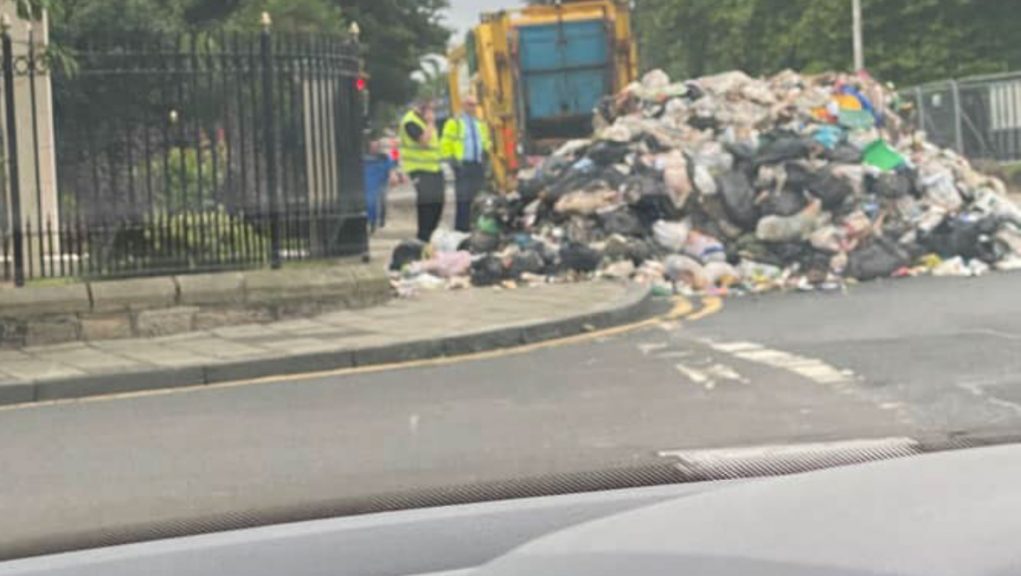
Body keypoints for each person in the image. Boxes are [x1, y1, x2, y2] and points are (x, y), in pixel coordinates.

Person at [442, 94, 492, 233]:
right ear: (463, 106)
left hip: (477, 164)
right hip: (462, 165)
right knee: (463, 200)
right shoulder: (455, 123)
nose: (473, 107)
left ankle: (477, 227)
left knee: (479, 198)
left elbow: (485, 143)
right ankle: (462, 230)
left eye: (475, 104)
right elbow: (446, 144)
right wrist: (453, 163)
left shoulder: (479, 123)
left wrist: (487, 157)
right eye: (470, 104)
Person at [399, 100, 444, 242]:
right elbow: (423, 142)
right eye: (430, 111)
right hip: (419, 169)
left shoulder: (424, 122)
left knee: (438, 203)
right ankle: (423, 237)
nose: (432, 114)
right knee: (426, 205)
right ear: (421, 111)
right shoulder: (410, 122)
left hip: (434, 168)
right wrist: (430, 123)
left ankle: (430, 235)